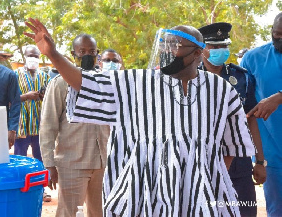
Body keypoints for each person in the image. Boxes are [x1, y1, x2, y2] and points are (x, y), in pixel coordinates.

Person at [25, 18, 255, 216]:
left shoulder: (221, 90)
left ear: (197, 53)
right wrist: (53, 54)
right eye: (164, 45)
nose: (166, 51)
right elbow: (85, 85)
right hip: (144, 193)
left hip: (203, 196)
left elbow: (232, 145)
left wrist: (202, 172)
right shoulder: (136, 82)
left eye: (175, 46)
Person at [198, 22, 266, 216]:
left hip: (239, 163)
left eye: (224, 45)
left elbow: (251, 120)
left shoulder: (241, 78)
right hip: (203, 161)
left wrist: (260, 161)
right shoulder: (190, 77)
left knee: (244, 211)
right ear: (203, 48)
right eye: (215, 46)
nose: (221, 50)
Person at [39, 34, 110, 217]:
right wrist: (49, 164)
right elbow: (48, 125)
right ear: (73, 54)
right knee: (68, 213)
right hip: (72, 163)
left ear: (97, 54)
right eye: (82, 51)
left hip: (103, 162)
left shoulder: (106, 82)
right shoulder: (60, 83)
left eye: (92, 52)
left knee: (101, 212)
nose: (87, 55)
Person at [240, 12, 282, 216]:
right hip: (274, 153)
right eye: (276, 34)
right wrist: (257, 158)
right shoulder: (253, 58)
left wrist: (279, 97)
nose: (279, 39)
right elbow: (243, 104)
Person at [14, 45, 50, 162]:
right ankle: (21, 180)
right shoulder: (15, 75)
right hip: (22, 124)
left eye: (36, 56)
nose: (33, 59)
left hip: (39, 124)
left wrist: (44, 96)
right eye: (30, 56)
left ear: (39, 57)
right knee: (20, 158)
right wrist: (25, 96)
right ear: (24, 57)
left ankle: (42, 180)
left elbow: (50, 97)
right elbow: (9, 99)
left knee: (41, 158)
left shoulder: (44, 76)